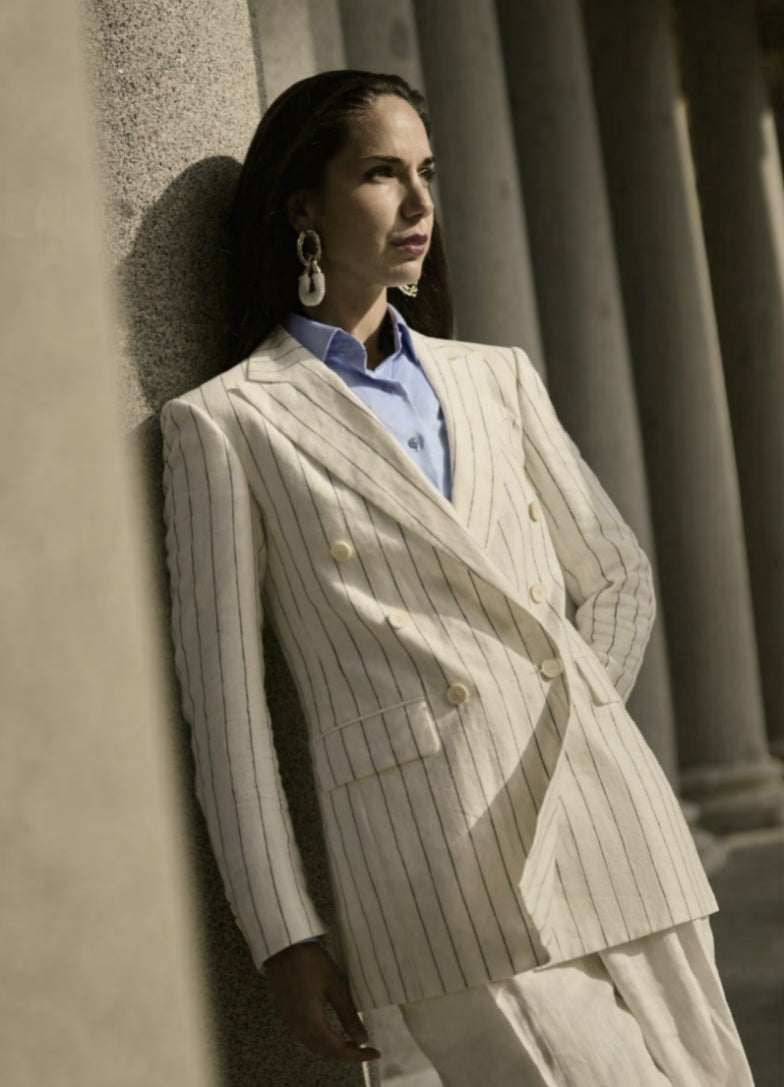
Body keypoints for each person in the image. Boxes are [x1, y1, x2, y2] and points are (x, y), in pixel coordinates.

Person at [161, 70, 753, 1085]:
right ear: (303, 206)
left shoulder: (493, 375)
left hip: (607, 815)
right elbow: (226, 715)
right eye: (381, 174)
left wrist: (562, 712)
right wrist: (284, 932)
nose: (420, 204)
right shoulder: (227, 423)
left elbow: (616, 577)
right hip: (434, 859)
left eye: (427, 172)